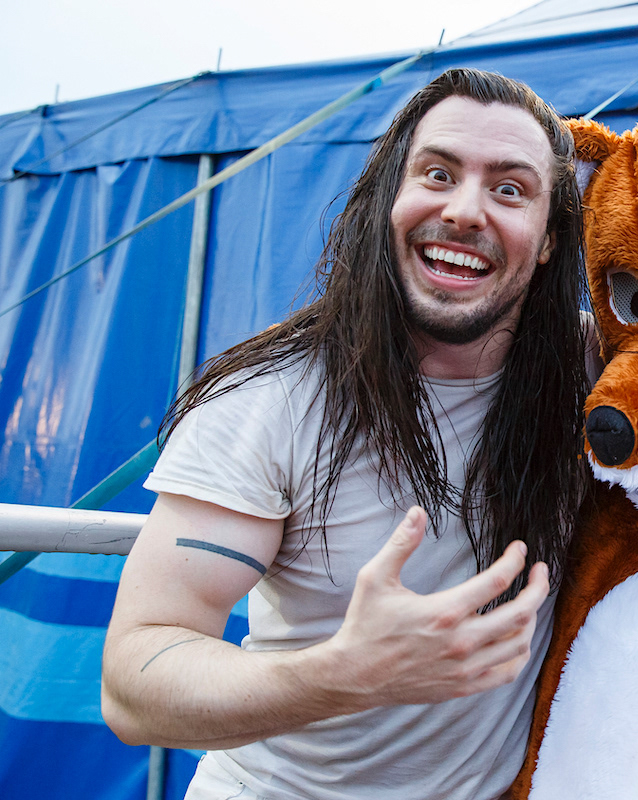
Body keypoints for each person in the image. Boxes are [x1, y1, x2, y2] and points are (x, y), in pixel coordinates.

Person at [101, 68, 594, 800]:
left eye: (509, 188)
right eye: (437, 173)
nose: (464, 210)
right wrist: (346, 672)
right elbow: (133, 684)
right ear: (388, 198)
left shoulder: (596, 377)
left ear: (550, 241)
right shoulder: (269, 398)